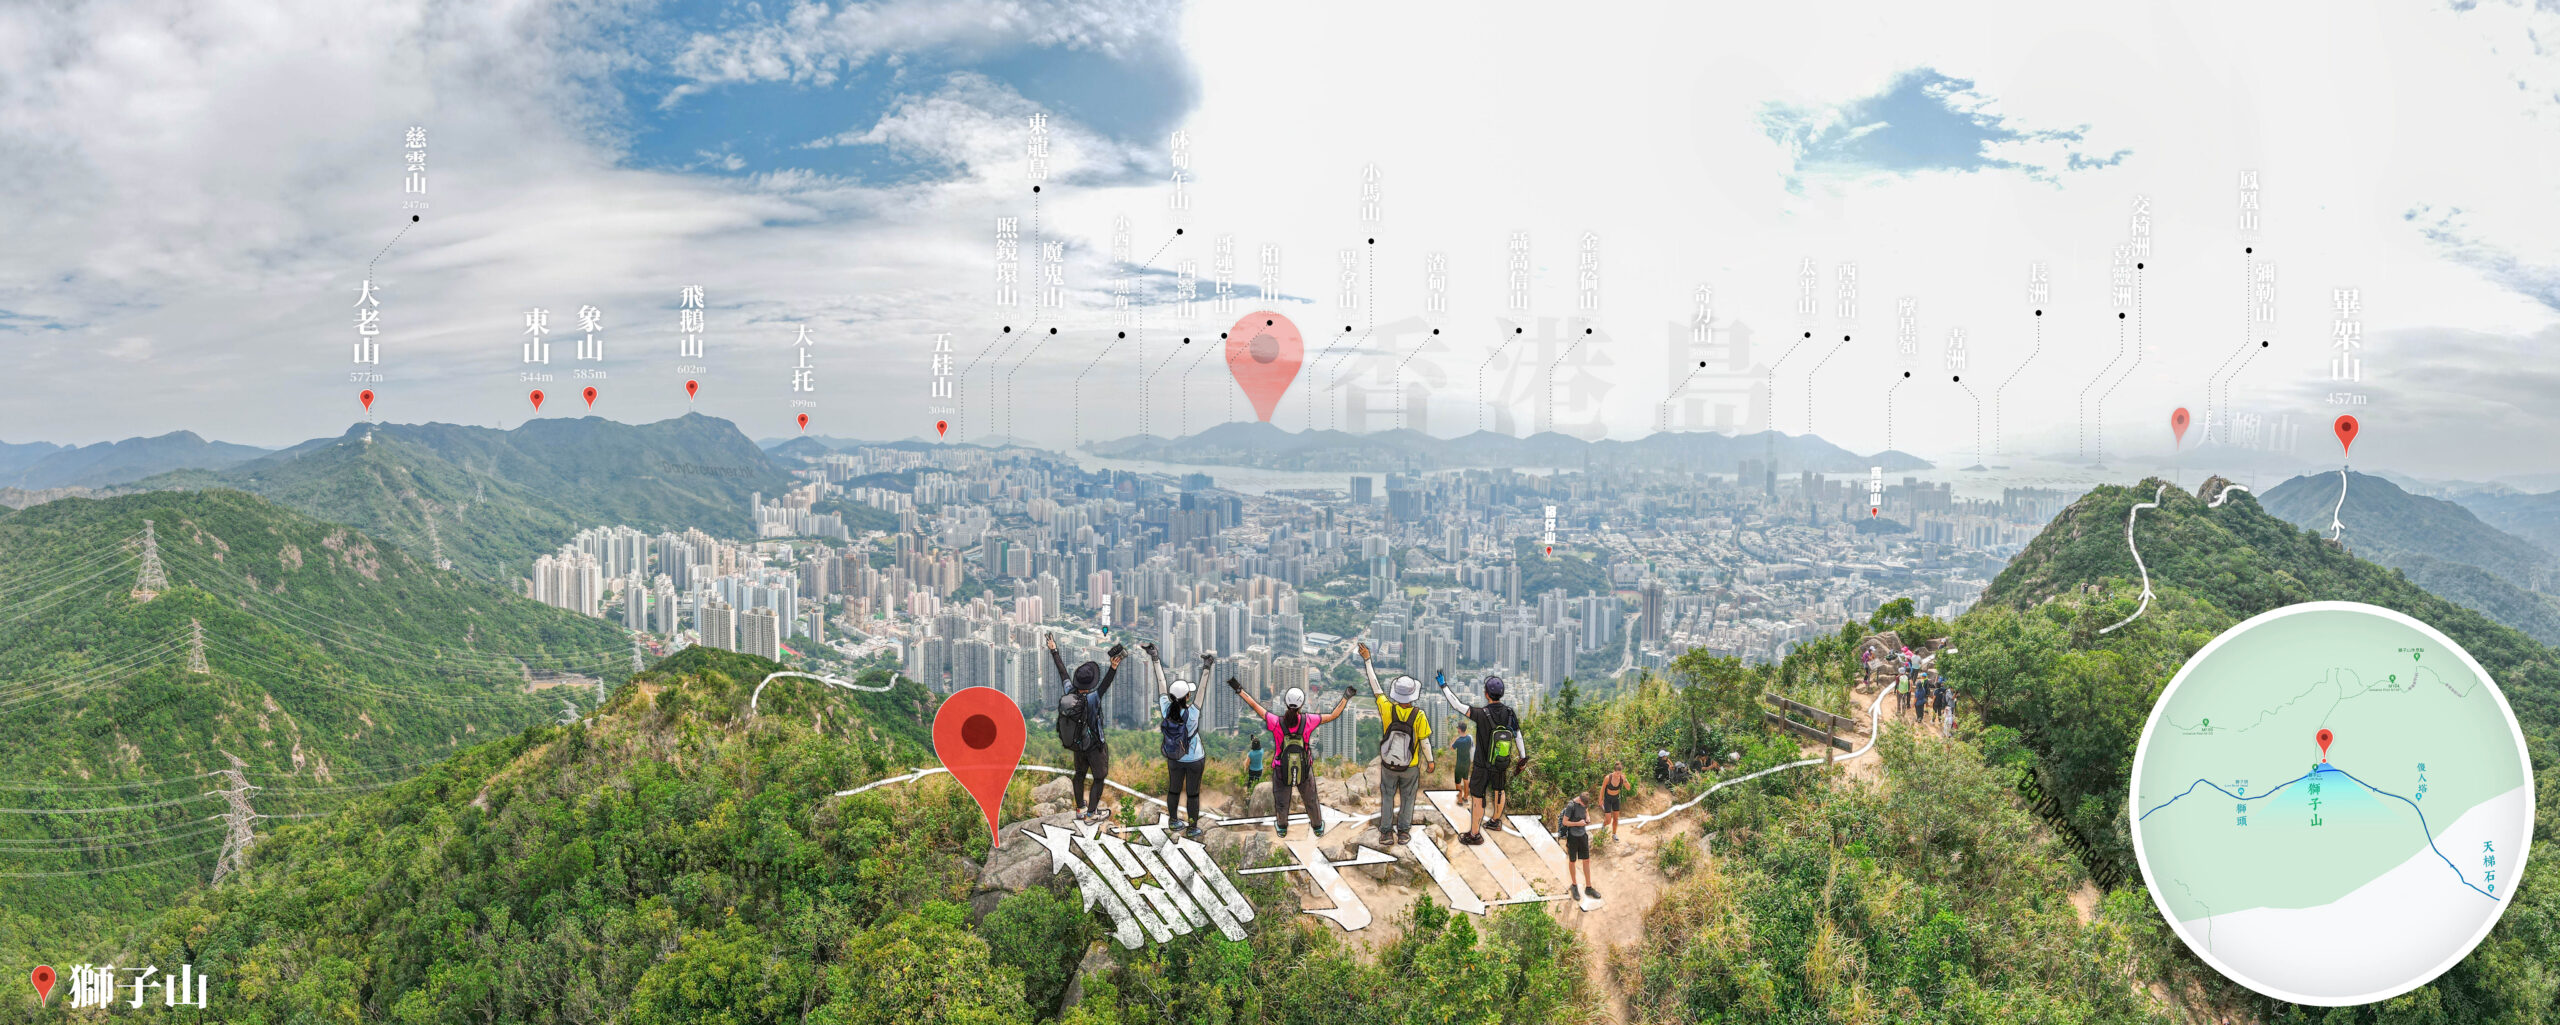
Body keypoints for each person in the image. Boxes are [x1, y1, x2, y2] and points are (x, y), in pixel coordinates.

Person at [1233, 677, 1353, 839]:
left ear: (1285, 703)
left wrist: (1239, 690)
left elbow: (1255, 705)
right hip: (1304, 769)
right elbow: (1333, 715)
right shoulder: (1308, 720)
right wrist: (1345, 697)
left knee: (1282, 801)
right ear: (1302, 704)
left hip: (1281, 769)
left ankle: (1282, 827)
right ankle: (1317, 826)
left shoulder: (1276, 722)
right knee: (1310, 799)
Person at [1437, 670, 1526, 846]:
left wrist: (1444, 686)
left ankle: (1475, 834)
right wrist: (1523, 757)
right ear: (1501, 694)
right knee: (1499, 790)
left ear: (1486, 694)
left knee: (1478, 797)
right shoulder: (1509, 713)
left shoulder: (1481, 713)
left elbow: (1456, 705)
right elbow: (1518, 735)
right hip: (1501, 761)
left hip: (1482, 765)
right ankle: (1495, 821)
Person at [1047, 634, 1122, 824]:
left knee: (1079, 775)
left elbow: (1062, 672)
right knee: (1099, 777)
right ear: (1090, 684)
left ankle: (1080, 808)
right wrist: (1113, 667)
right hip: (1095, 747)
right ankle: (1091, 814)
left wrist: (1054, 650)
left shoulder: (1069, 693)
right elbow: (1106, 684)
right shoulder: (1093, 698)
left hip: (1078, 745)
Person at [1146, 644, 1209, 839]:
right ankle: (1192, 827)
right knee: (1193, 794)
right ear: (1187, 696)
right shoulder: (1192, 713)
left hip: (1174, 756)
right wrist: (1207, 667)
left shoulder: (1166, 708)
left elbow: (1161, 681)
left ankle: (1173, 820)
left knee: (1174, 789)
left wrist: (1155, 659)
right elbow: (1203, 689)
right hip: (1195, 758)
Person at [1560, 789, 1597, 900]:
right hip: (1572, 837)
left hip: (1582, 835)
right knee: (1572, 861)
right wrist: (1577, 823)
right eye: (1583, 804)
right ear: (1579, 800)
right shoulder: (1571, 806)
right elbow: (1564, 822)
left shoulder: (1584, 802)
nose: (1585, 806)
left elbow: (1586, 810)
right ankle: (1574, 886)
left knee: (1586, 860)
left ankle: (1588, 887)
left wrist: (1587, 816)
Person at [1600, 764, 1627, 837]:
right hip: (1608, 799)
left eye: (1620, 773)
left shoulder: (1622, 778)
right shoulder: (1608, 778)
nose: (1618, 775)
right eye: (1617, 773)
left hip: (1616, 799)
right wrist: (1600, 800)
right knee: (1608, 820)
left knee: (1616, 819)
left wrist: (1624, 781)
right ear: (1614, 771)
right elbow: (1602, 788)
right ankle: (1603, 825)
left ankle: (1614, 834)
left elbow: (1628, 788)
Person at [1244, 735, 1268, 812]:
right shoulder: (1262, 751)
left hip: (1252, 770)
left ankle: (1248, 796)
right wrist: (1254, 739)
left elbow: (1247, 764)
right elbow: (1258, 744)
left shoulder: (1250, 754)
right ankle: (1257, 796)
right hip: (1259, 770)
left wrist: (1245, 769)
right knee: (1257, 782)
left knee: (1250, 783)